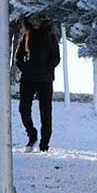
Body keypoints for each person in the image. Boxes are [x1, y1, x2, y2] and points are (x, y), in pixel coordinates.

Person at [14, 17, 61, 152]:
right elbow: (18, 57)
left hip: (45, 80)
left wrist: (46, 69)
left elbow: (56, 58)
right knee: (23, 109)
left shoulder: (50, 37)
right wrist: (26, 68)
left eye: (38, 20)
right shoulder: (27, 36)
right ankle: (32, 135)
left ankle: (44, 145)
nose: (36, 23)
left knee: (45, 113)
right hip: (27, 79)